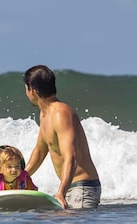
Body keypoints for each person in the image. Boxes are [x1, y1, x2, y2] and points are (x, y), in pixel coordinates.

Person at [22, 65, 101, 209]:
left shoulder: (61, 114)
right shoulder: (45, 114)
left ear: (31, 90)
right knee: (44, 218)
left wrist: (60, 193)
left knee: (66, 222)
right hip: (71, 187)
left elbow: (71, 157)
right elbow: (40, 151)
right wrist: (19, 178)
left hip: (83, 187)